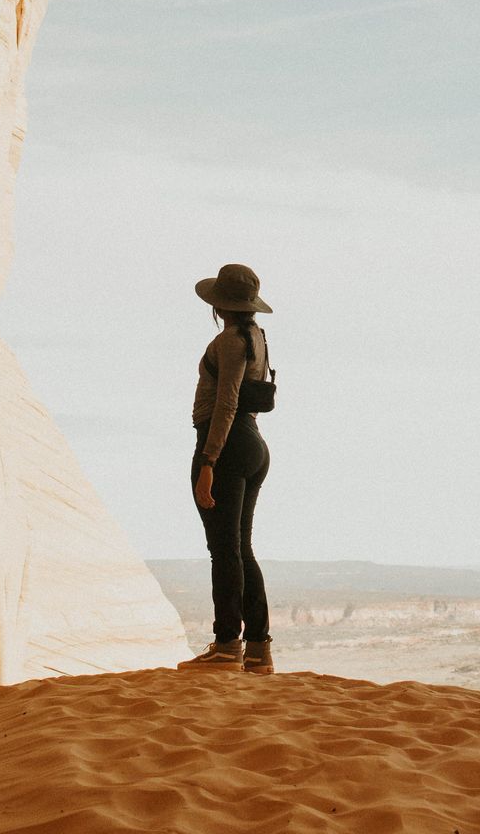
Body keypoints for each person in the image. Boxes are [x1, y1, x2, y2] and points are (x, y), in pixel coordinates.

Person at [176, 263, 274, 674]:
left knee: (224, 551)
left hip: (228, 445)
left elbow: (227, 401)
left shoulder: (230, 340)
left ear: (220, 305)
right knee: (240, 548)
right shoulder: (257, 336)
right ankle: (257, 650)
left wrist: (208, 462)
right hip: (252, 444)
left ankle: (226, 646)